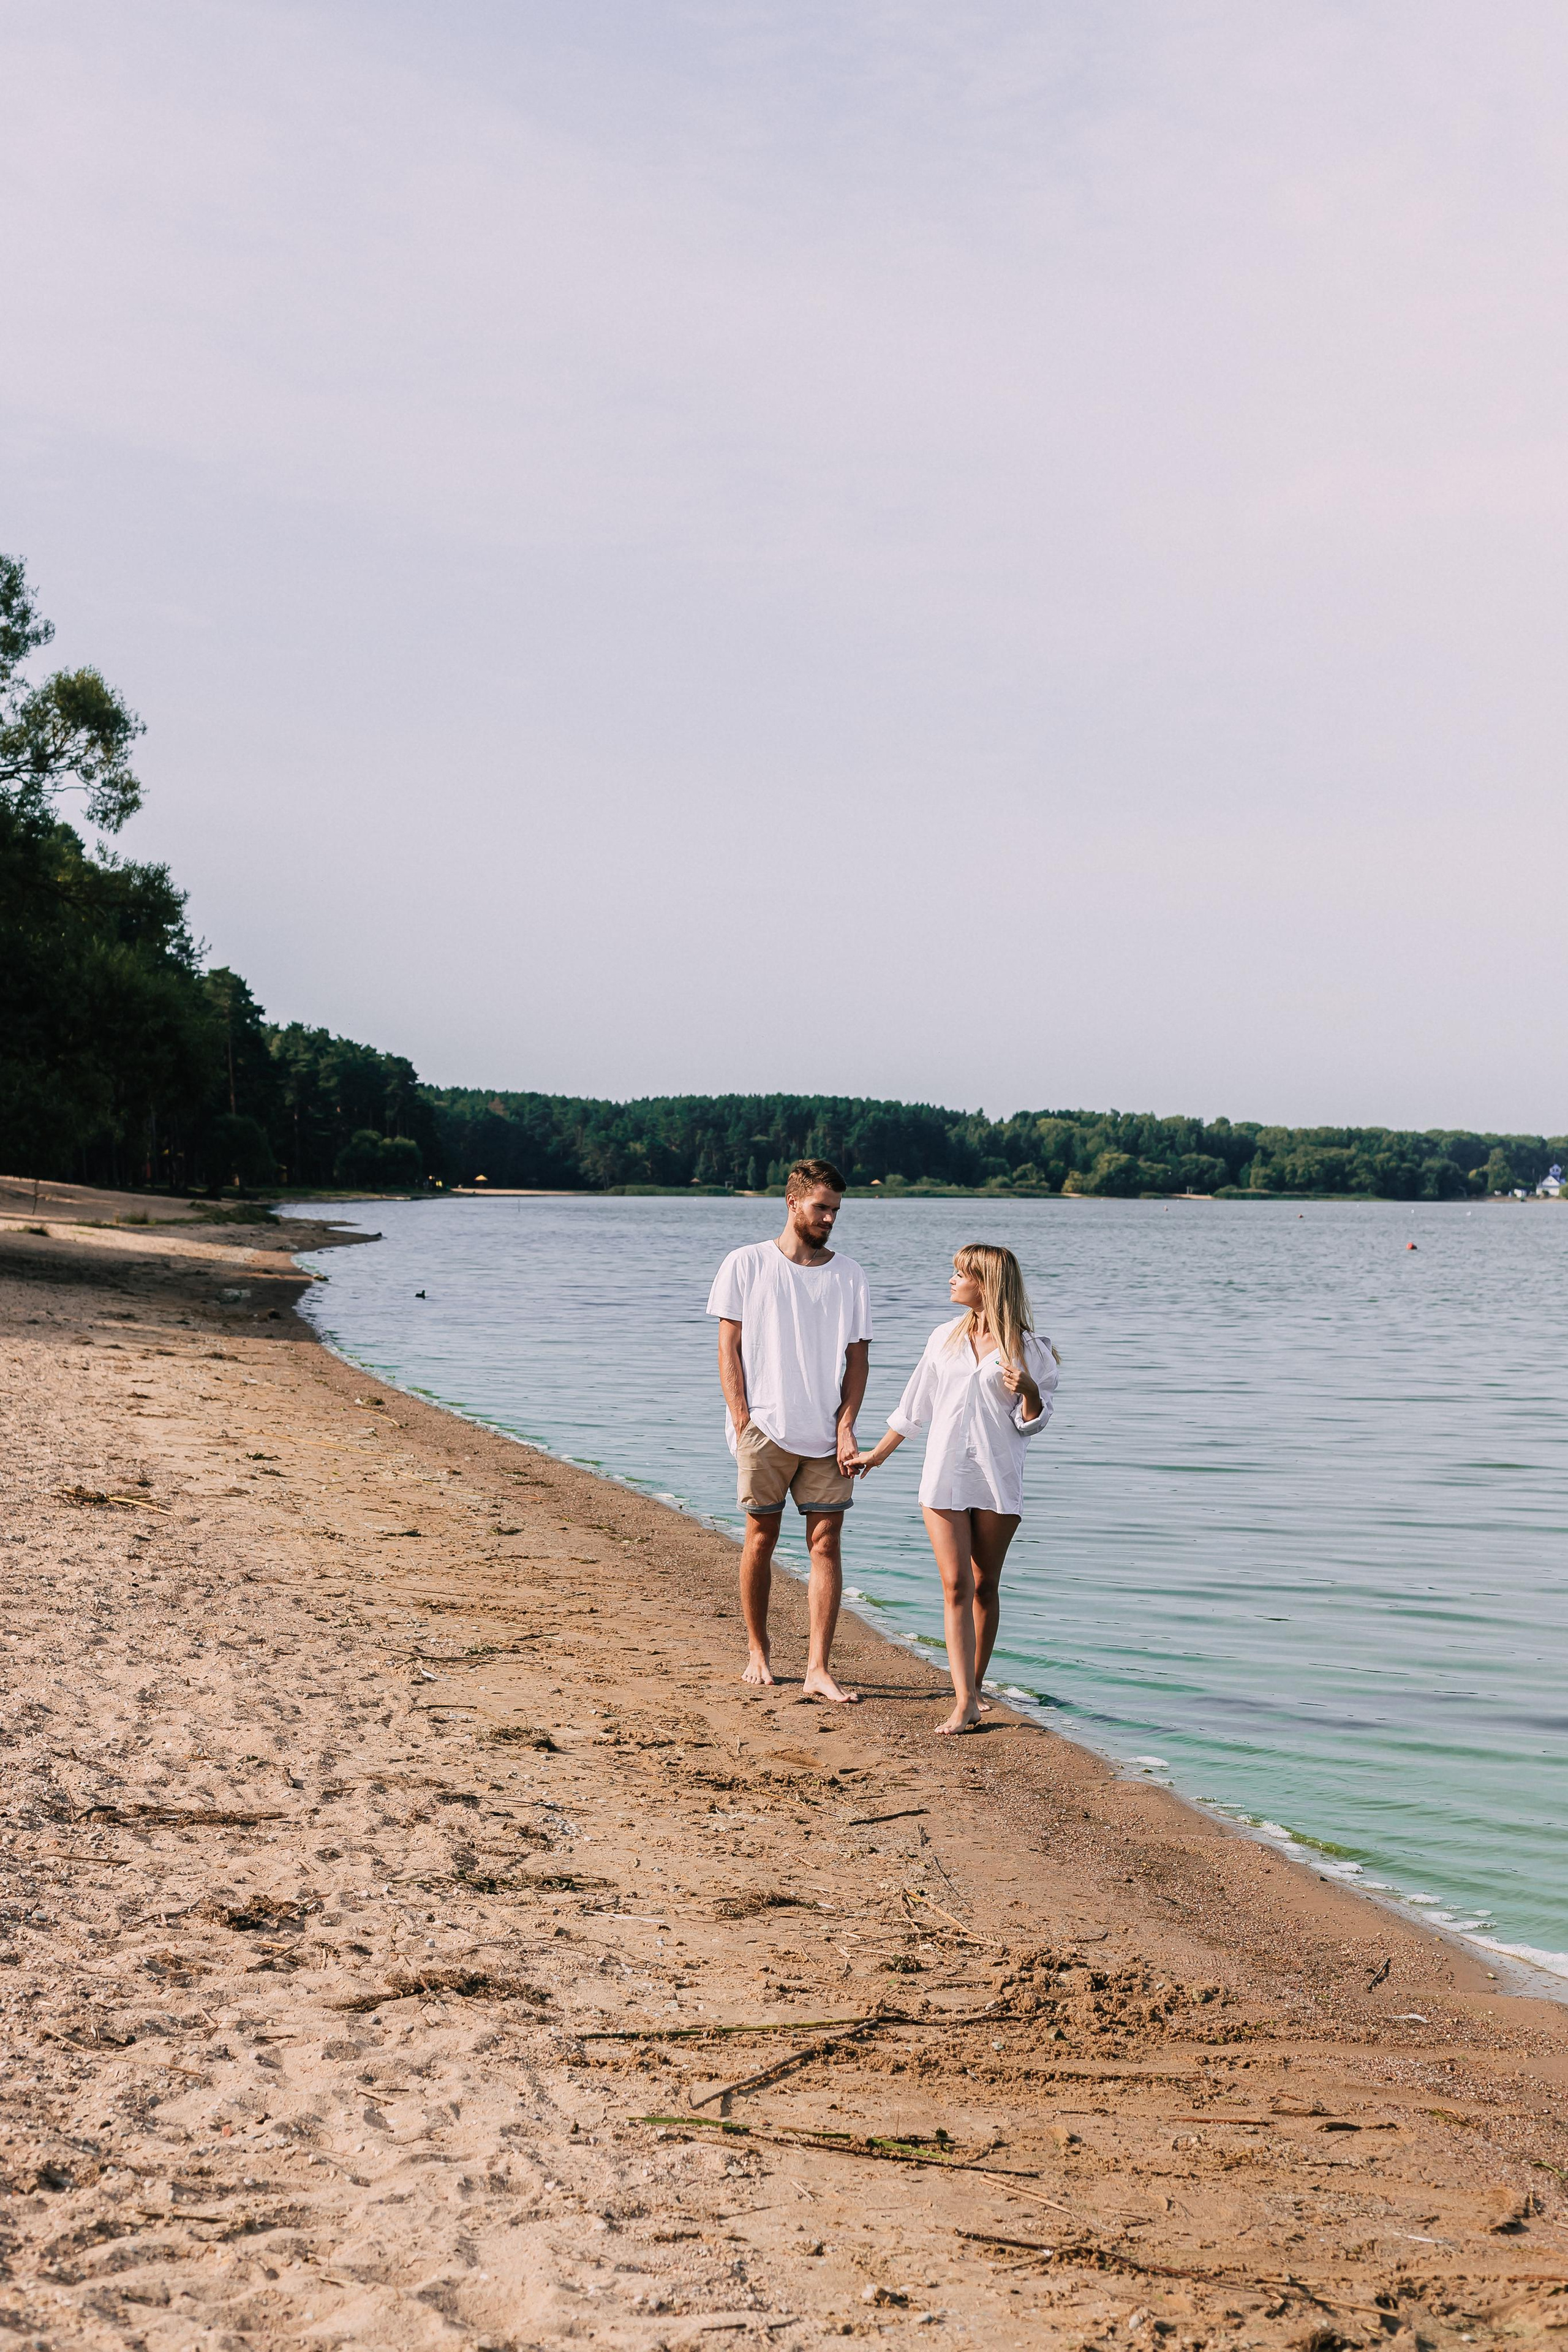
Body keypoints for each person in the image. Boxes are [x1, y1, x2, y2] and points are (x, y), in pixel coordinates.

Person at [851, 1243, 1057, 1735]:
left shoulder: (1032, 1350)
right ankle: (963, 1701)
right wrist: (876, 1455)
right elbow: (915, 1407)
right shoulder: (943, 1337)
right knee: (956, 1585)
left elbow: (1034, 1422)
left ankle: (976, 1685)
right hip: (943, 1475)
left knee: (985, 1584)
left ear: (985, 1284)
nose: (951, 1280)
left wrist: (1028, 1391)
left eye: (961, 1274)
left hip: (996, 1477)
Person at [706, 1158, 872, 1701]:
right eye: (821, 1207)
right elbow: (728, 1346)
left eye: (836, 1210)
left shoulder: (850, 1274)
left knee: (826, 1544)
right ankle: (759, 1651)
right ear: (792, 1202)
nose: (829, 1218)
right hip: (765, 1429)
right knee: (762, 1537)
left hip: (827, 1436)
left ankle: (818, 1668)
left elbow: (857, 1362)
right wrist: (742, 1419)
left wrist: (847, 1427)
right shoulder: (746, 1263)